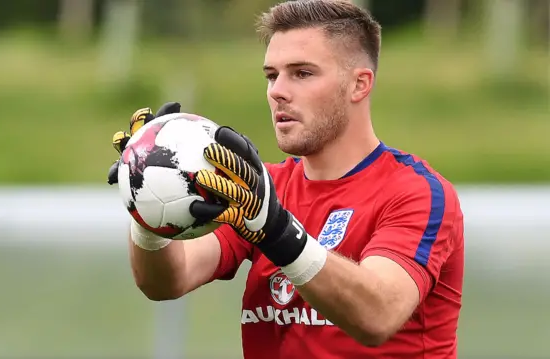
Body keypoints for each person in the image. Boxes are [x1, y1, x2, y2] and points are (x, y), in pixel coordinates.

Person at [107, 1, 464, 358]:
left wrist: (278, 232)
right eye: (271, 75)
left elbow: (378, 314)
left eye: (302, 73)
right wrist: (148, 204)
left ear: (359, 84)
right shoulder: (263, 189)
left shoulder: (416, 192)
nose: (277, 91)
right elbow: (167, 280)